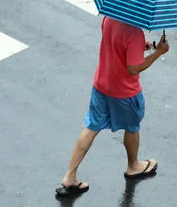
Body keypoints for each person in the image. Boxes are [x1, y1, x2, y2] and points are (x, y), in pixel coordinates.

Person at [56, 17, 170, 197]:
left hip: (102, 84)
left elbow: (115, 43)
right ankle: (133, 166)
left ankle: (69, 175)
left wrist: (139, 46)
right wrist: (158, 53)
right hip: (125, 92)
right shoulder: (134, 32)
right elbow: (133, 68)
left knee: (91, 127)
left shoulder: (109, 18)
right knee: (132, 127)